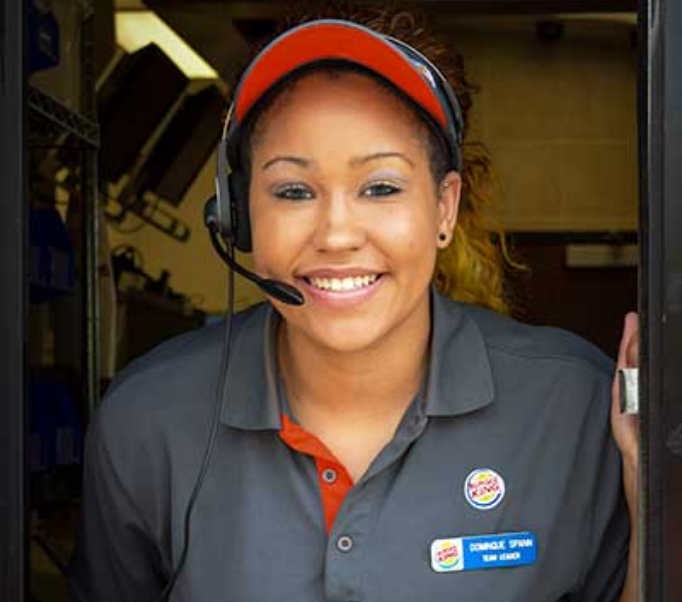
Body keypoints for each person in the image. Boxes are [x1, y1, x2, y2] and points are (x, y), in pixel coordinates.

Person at [69, 4, 640, 602]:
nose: (337, 233)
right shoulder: (146, 422)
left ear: (444, 208)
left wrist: (655, 486)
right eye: (293, 190)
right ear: (237, 216)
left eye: (381, 188)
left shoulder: (574, 408)